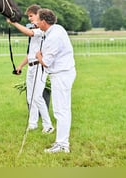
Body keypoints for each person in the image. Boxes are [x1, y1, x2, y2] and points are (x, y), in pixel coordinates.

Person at [7, 4, 54, 135]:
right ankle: (32, 124)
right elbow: (30, 53)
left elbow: (29, 32)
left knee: (38, 96)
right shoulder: (35, 29)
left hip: (39, 66)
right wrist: (20, 66)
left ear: (38, 15)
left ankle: (48, 124)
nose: (29, 19)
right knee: (30, 98)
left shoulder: (41, 30)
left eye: (31, 16)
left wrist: (14, 23)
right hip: (32, 67)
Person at [35, 8, 76, 153]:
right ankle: (61, 142)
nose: (36, 23)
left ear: (44, 22)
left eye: (38, 20)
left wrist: (39, 56)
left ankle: (62, 145)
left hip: (61, 75)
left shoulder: (53, 37)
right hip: (63, 73)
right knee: (62, 109)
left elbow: (46, 61)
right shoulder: (57, 29)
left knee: (61, 110)